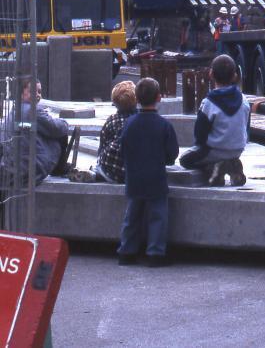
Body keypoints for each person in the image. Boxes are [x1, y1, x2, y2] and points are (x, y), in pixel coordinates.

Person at [117, 77, 179, 266]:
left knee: (132, 216)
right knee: (158, 216)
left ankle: (126, 251)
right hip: (156, 177)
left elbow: (122, 147)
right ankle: (155, 253)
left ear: (136, 98)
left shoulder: (129, 123)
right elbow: (172, 154)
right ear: (159, 98)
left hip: (134, 176)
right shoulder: (164, 125)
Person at [179, 54, 249, 187]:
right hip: (238, 149)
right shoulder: (244, 100)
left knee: (185, 160)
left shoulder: (208, 103)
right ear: (234, 76)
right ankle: (232, 164)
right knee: (221, 153)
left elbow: (200, 135)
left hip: (214, 150)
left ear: (211, 74)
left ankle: (214, 168)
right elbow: (245, 126)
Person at [15, 80, 71, 184]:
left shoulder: (14, 110)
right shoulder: (34, 111)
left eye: (39, 92)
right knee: (60, 133)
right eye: (33, 91)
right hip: (30, 168)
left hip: (13, 166)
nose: (37, 95)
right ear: (22, 93)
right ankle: (59, 169)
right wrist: (63, 122)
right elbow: (56, 128)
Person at [94, 80, 137, 183]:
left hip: (111, 167)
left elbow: (102, 144)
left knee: (99, 164)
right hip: (134, 171)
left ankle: (98, 172)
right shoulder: (140, 120)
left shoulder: (112, 120)